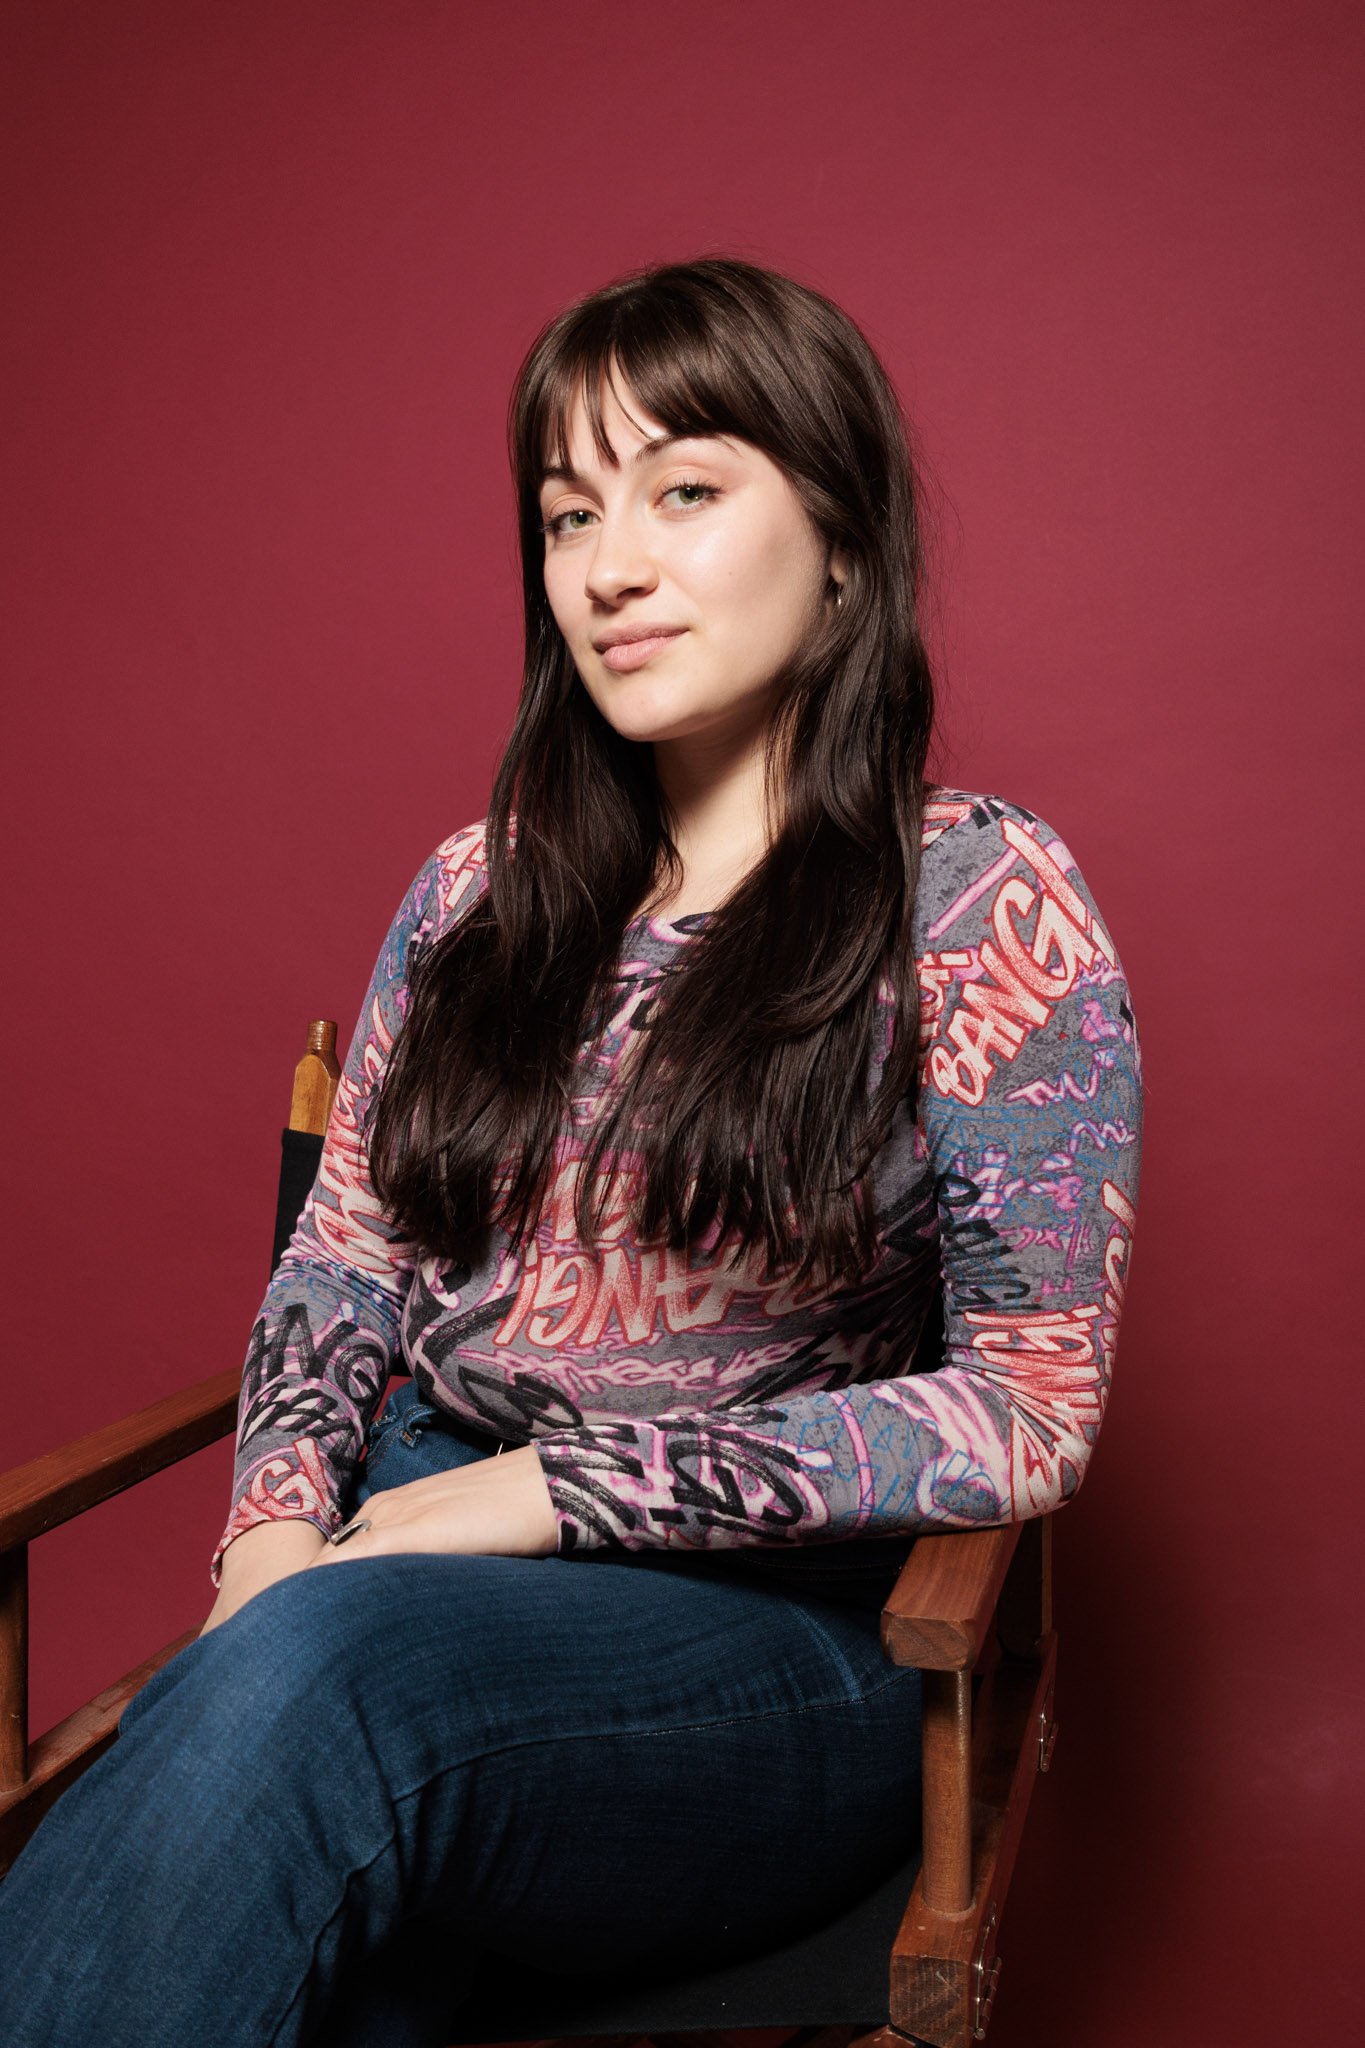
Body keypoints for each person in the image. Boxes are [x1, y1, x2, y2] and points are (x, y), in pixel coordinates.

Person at [0, 256, 1142, 2048]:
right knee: (324, 1920)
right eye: (565, 514)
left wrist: (520, 1503)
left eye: (685, 489)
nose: (608, 566)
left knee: (324, 1696)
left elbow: (1024, 1408)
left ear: (839, 538)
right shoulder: (478, 890)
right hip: (395, 1561)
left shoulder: (972, 898)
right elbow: (345, 1256)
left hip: (753, 1648)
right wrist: (270, 1539)